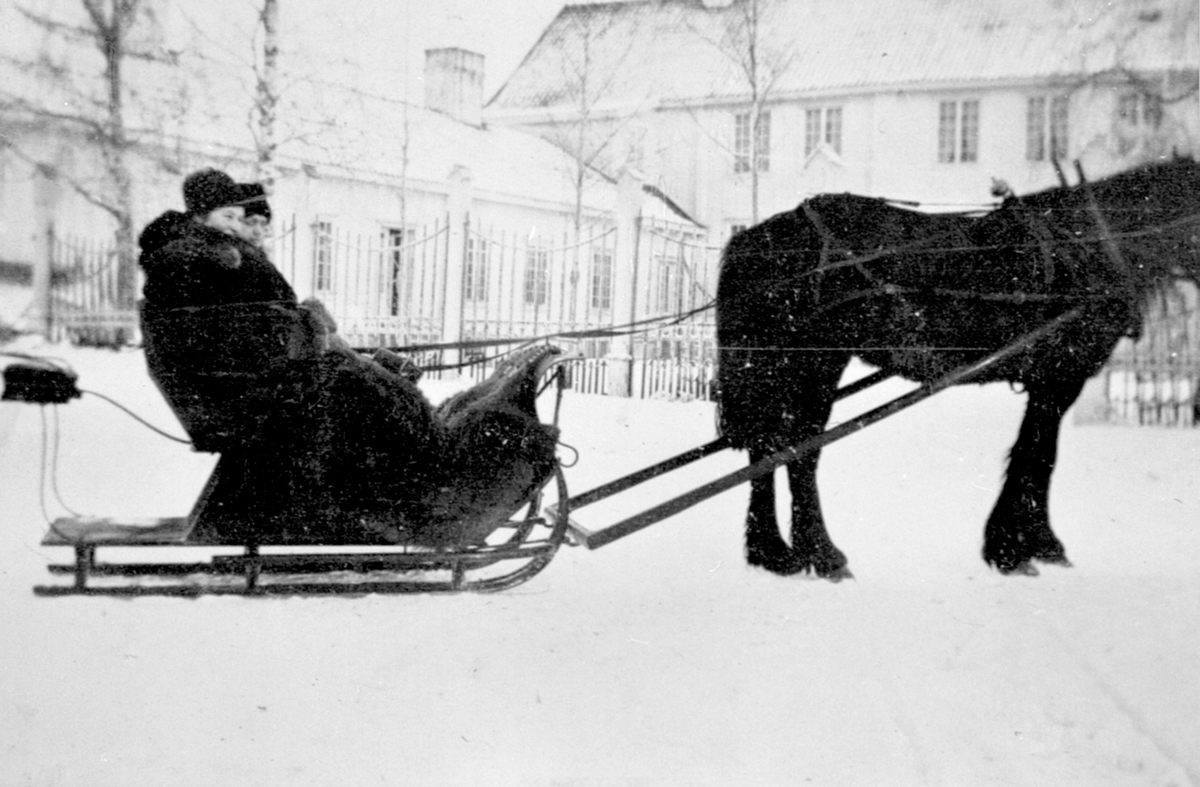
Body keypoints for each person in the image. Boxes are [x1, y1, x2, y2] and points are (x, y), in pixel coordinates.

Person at [137, 168, 562, 546]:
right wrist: (311, 328)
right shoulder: (204, 261)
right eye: (229, 218)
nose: (240, 228)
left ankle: (424, 459)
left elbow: (259, 326)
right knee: (362, 384)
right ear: (200, 217)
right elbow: (252, 332)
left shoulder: (208, 258)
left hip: (250, 390)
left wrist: (310, 327)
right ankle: (431, 476)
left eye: (241, 218)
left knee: (370, 380)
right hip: (252, 397)